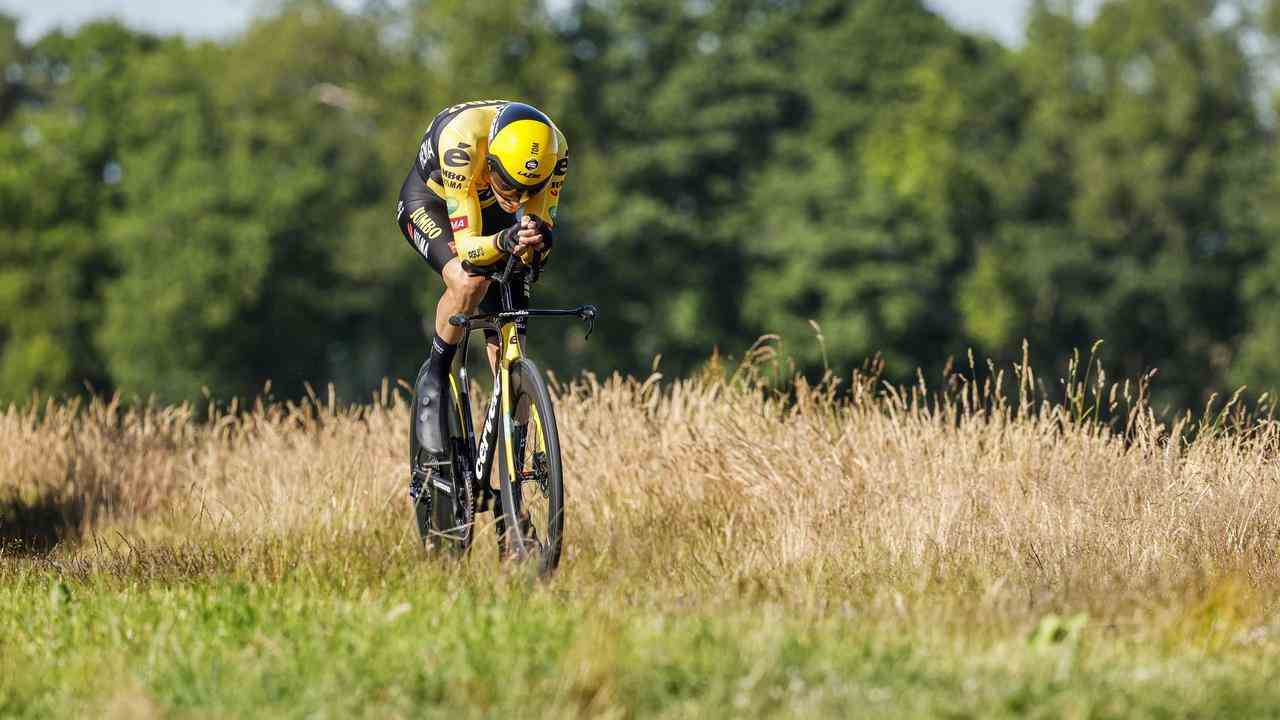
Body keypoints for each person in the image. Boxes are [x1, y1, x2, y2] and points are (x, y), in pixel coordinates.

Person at [396, 100, 569, 501]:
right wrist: (504, 239)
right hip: (433, 202)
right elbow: (471, 249)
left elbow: (537, 228)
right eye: (508, 185)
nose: (517, 197)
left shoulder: (555, 150)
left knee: (511, 339)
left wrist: (537, 242)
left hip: (488, 215)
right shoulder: (462, 142)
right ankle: (435, 381)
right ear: (490, 160)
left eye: (529, 189)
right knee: (469, 281)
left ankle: (513, 491)